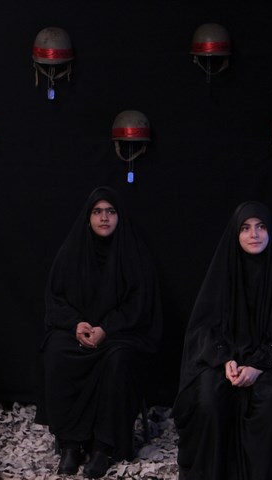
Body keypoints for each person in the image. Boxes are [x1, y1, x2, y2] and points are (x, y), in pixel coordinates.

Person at [173, 201, 272, 480]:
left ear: (270, 232)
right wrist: (225, 360)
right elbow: (204, 328)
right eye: (246, 228)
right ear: (235, 234)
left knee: (270, 402)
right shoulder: (222, 275)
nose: (254, 235)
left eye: (261, 227)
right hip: (226, 362)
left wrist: (258, 366)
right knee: (209, 398)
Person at [36, 186, 163, 478]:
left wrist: (106, 328)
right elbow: (55, 298)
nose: (104, 218)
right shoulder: (72, 251)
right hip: (77, 332)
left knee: (118, 360)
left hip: (120, 334)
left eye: (110, 211)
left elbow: (139, 303)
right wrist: (75, 324)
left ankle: (104, 447)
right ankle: (70, 444)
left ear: (119, 216)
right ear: (88, 217)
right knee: (56, 351)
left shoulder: (133, 253)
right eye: (97, 212)